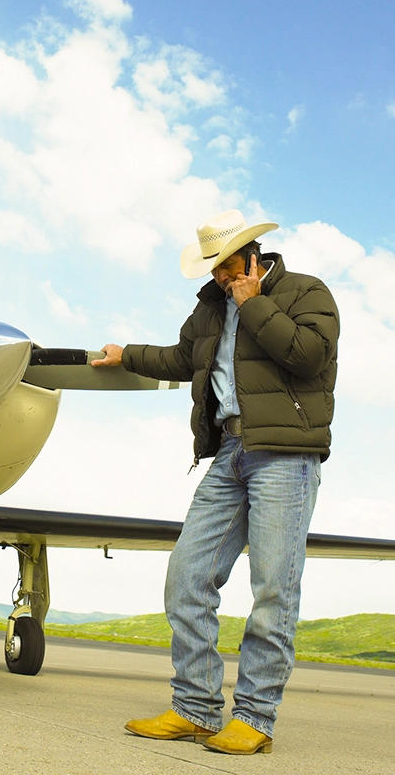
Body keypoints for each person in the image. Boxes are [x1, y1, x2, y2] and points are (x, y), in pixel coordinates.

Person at [94, 209, 339, 755]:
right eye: (214, 271)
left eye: (228, 268)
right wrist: (126, 354)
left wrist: (254, 303)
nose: (221, 279)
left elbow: (309, 355)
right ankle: (197, 709)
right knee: (186, 577)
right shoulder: (208, 309)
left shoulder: (304, 292)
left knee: (274, 587)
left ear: (253, 256)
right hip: (228, 453)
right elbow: (184, 359)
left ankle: (255, 718)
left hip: (286, 456)